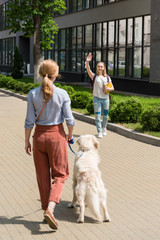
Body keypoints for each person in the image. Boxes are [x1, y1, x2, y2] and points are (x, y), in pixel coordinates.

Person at [24, 59, 75, 230]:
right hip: (56, 136)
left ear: (40, 74)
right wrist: (70, 135)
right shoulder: (62, 94)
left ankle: (45, 209)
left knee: (42, 177)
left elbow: (29, 122)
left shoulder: (32, 94)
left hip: (38, 137)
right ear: (56, 75)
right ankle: (51, 209)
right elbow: (70, 119)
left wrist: (26, 141)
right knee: (60, 175)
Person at [86, 53, 114, 138]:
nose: (100, 68)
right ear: (97, 68)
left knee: (105, 115)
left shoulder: (107, 78)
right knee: (97, 116)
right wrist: (87, 62)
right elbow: (88, 69)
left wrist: (108, 89)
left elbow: (112, 87)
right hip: (97, 99)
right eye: (98, 66)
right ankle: (99, 131)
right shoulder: (94, 76)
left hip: (105, 99)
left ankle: (104, 127)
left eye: (101, 66)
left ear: (104, 68)